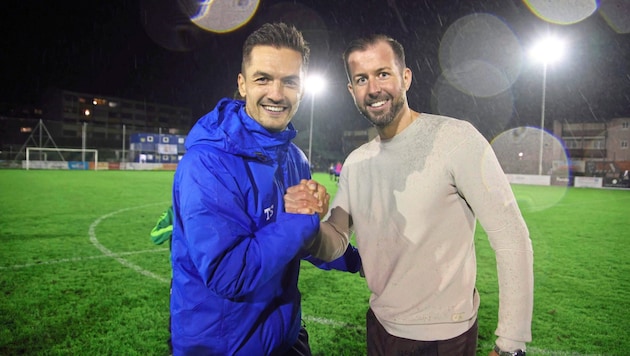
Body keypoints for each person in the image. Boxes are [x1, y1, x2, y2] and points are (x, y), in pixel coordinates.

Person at [285, 34, 533, 356]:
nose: (373, 88)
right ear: (352, 91)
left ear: (406, 77)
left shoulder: (456, 139)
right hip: (380, 326)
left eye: (383, 73)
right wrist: (308, 225)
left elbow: (510, 237)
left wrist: (512, 344)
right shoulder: (357, 163)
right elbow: (335, 240)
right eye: (362, 79)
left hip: (445, 336)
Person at [170, 22, 361, 355]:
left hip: (285, 337)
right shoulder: (207, 163)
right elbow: (229, 274)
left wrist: (355, 260)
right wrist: (302, 219)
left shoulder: (295, 159)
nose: (276, 93)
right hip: (222, 347)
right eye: (263, 79)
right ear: (242, 85)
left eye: (290, 81)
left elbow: (292, 244)